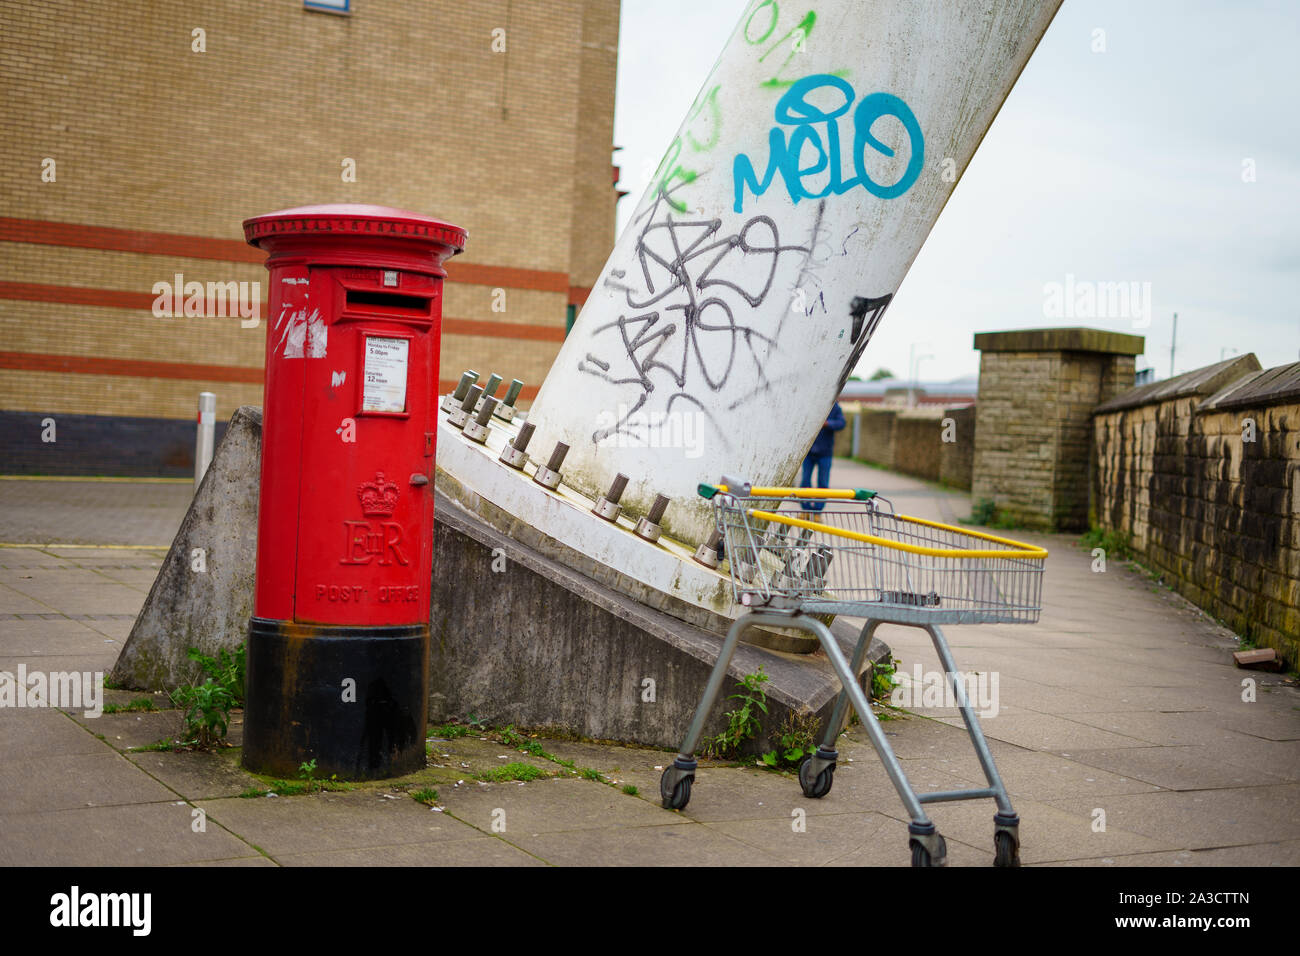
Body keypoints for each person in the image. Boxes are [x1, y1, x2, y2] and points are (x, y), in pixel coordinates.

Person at [800, 402, 846, 512]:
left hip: (825, 453)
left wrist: (828, 424)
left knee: (823, 483)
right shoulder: (811, 404)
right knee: (805, 482)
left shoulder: (834, 407)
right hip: (808, 452)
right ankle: (806, 510)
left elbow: (841, 423)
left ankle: (817, 511)